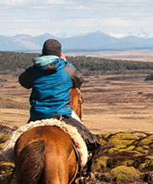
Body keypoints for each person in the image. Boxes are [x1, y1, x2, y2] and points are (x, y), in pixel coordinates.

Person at [18, 38, 101, 174]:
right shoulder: (66, 68)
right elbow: (79, 79)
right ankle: (83, 173)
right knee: (90, 141)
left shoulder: (34, 70)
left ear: (43, 53)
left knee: (15, 144)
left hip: (37, 116)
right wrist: (66, 62)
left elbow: (23, 81)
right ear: (59, 53)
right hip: (61, 115)